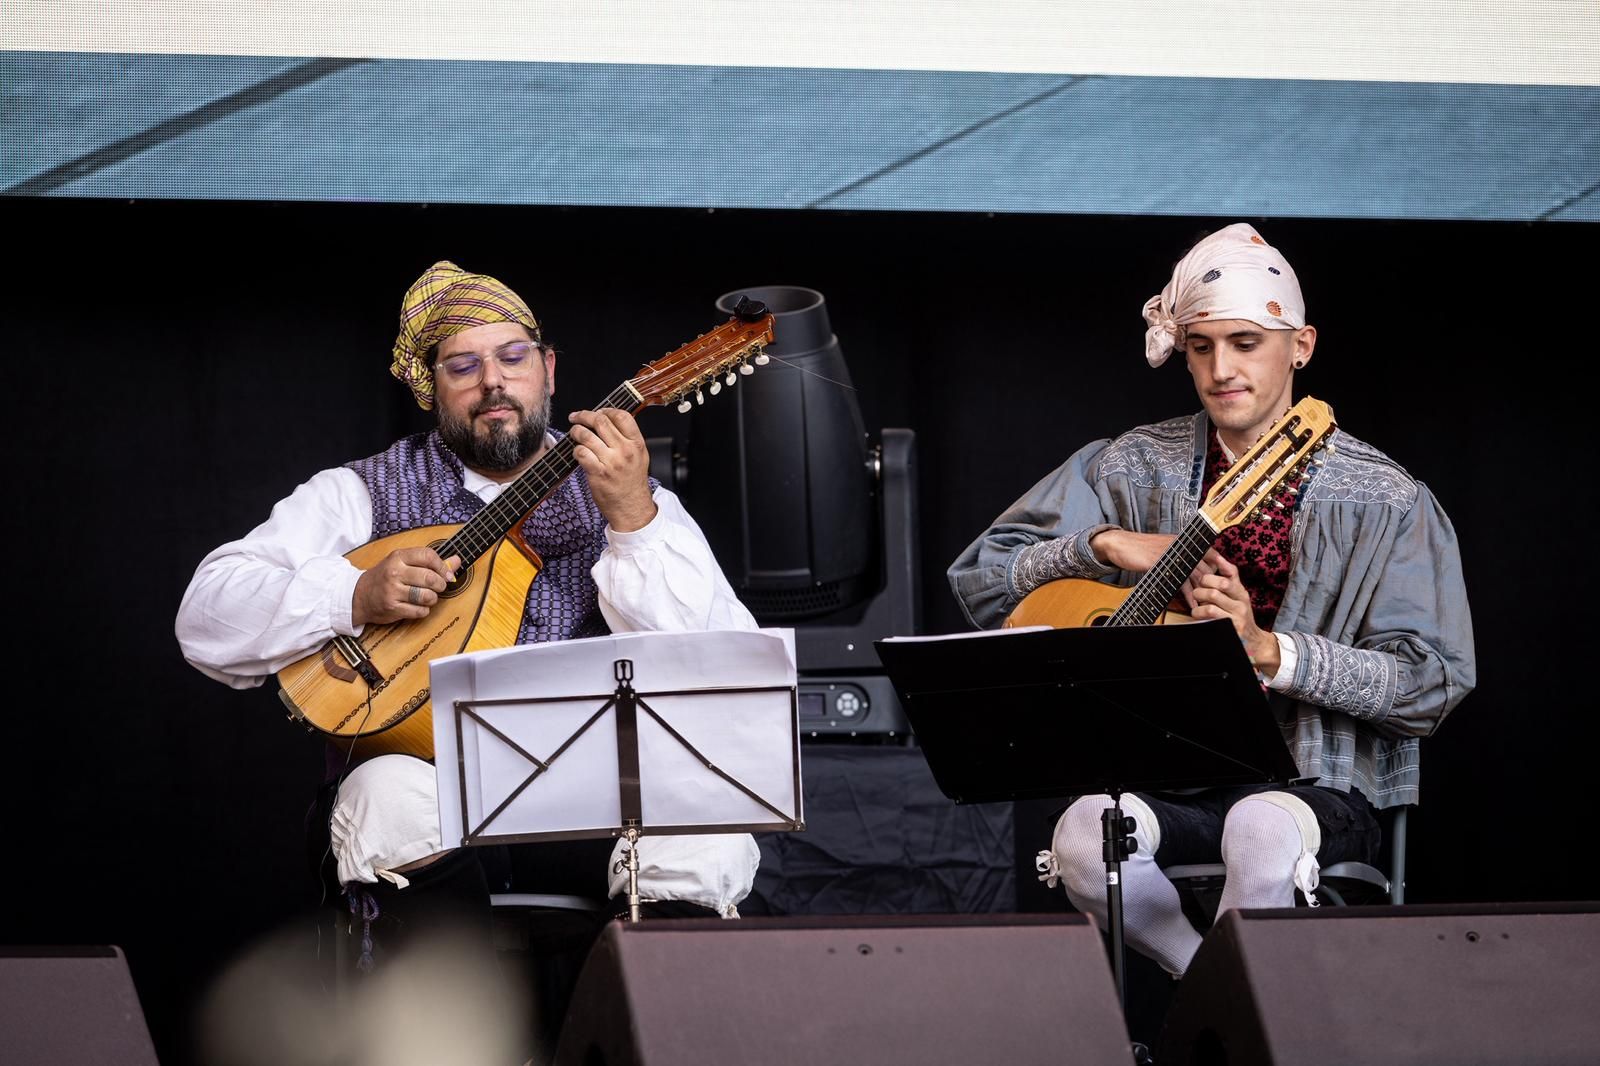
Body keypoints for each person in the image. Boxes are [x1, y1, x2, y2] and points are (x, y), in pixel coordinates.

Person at [176, 261, 761, 956]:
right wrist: (353, 594)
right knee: (385, 797)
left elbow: (719, 666)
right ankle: (462, 1035)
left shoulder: (634, 495)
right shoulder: (360, 493)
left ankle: (629, 1034)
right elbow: (206, 616)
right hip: (432, 793)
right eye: (463, 366)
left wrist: (633, 520)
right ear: (432, 391)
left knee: (712, 832)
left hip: (598, 801)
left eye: (513, 358)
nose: (493, 382)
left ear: (547, 370)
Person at [947, 224, 1475, 977]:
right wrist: (1101, 545)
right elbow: (982, 580)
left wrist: (1270, 650)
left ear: (1302, 345)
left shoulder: (1386, 500)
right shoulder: (1129, 465)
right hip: (1162, 780)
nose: (1221, 369)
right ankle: (1215, 998)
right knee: (1081, 838)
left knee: (1258, 829)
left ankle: (1217, 1017)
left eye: (1245, 342)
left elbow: (1432, 682)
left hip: (1314, 787)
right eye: (1201, 347)